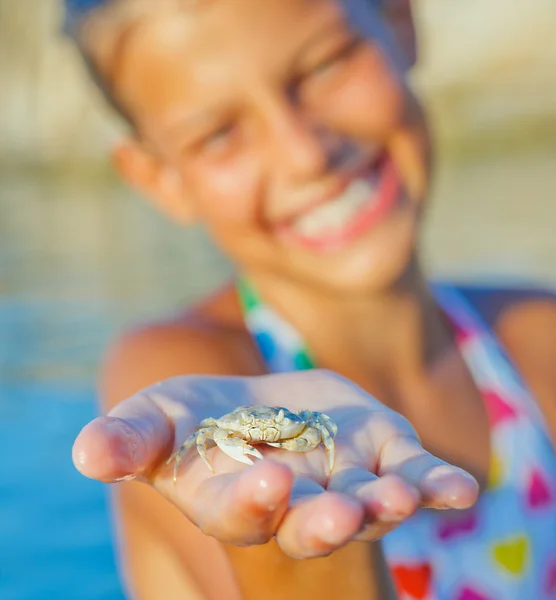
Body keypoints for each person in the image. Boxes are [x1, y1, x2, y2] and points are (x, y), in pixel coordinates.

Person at [67, 0, 556, 598]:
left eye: (327, 64)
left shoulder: (539, 337)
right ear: (159, 179)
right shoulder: (180, 377)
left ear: (399, 21)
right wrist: (288, 536)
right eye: (220, 133)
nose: (306, 154)